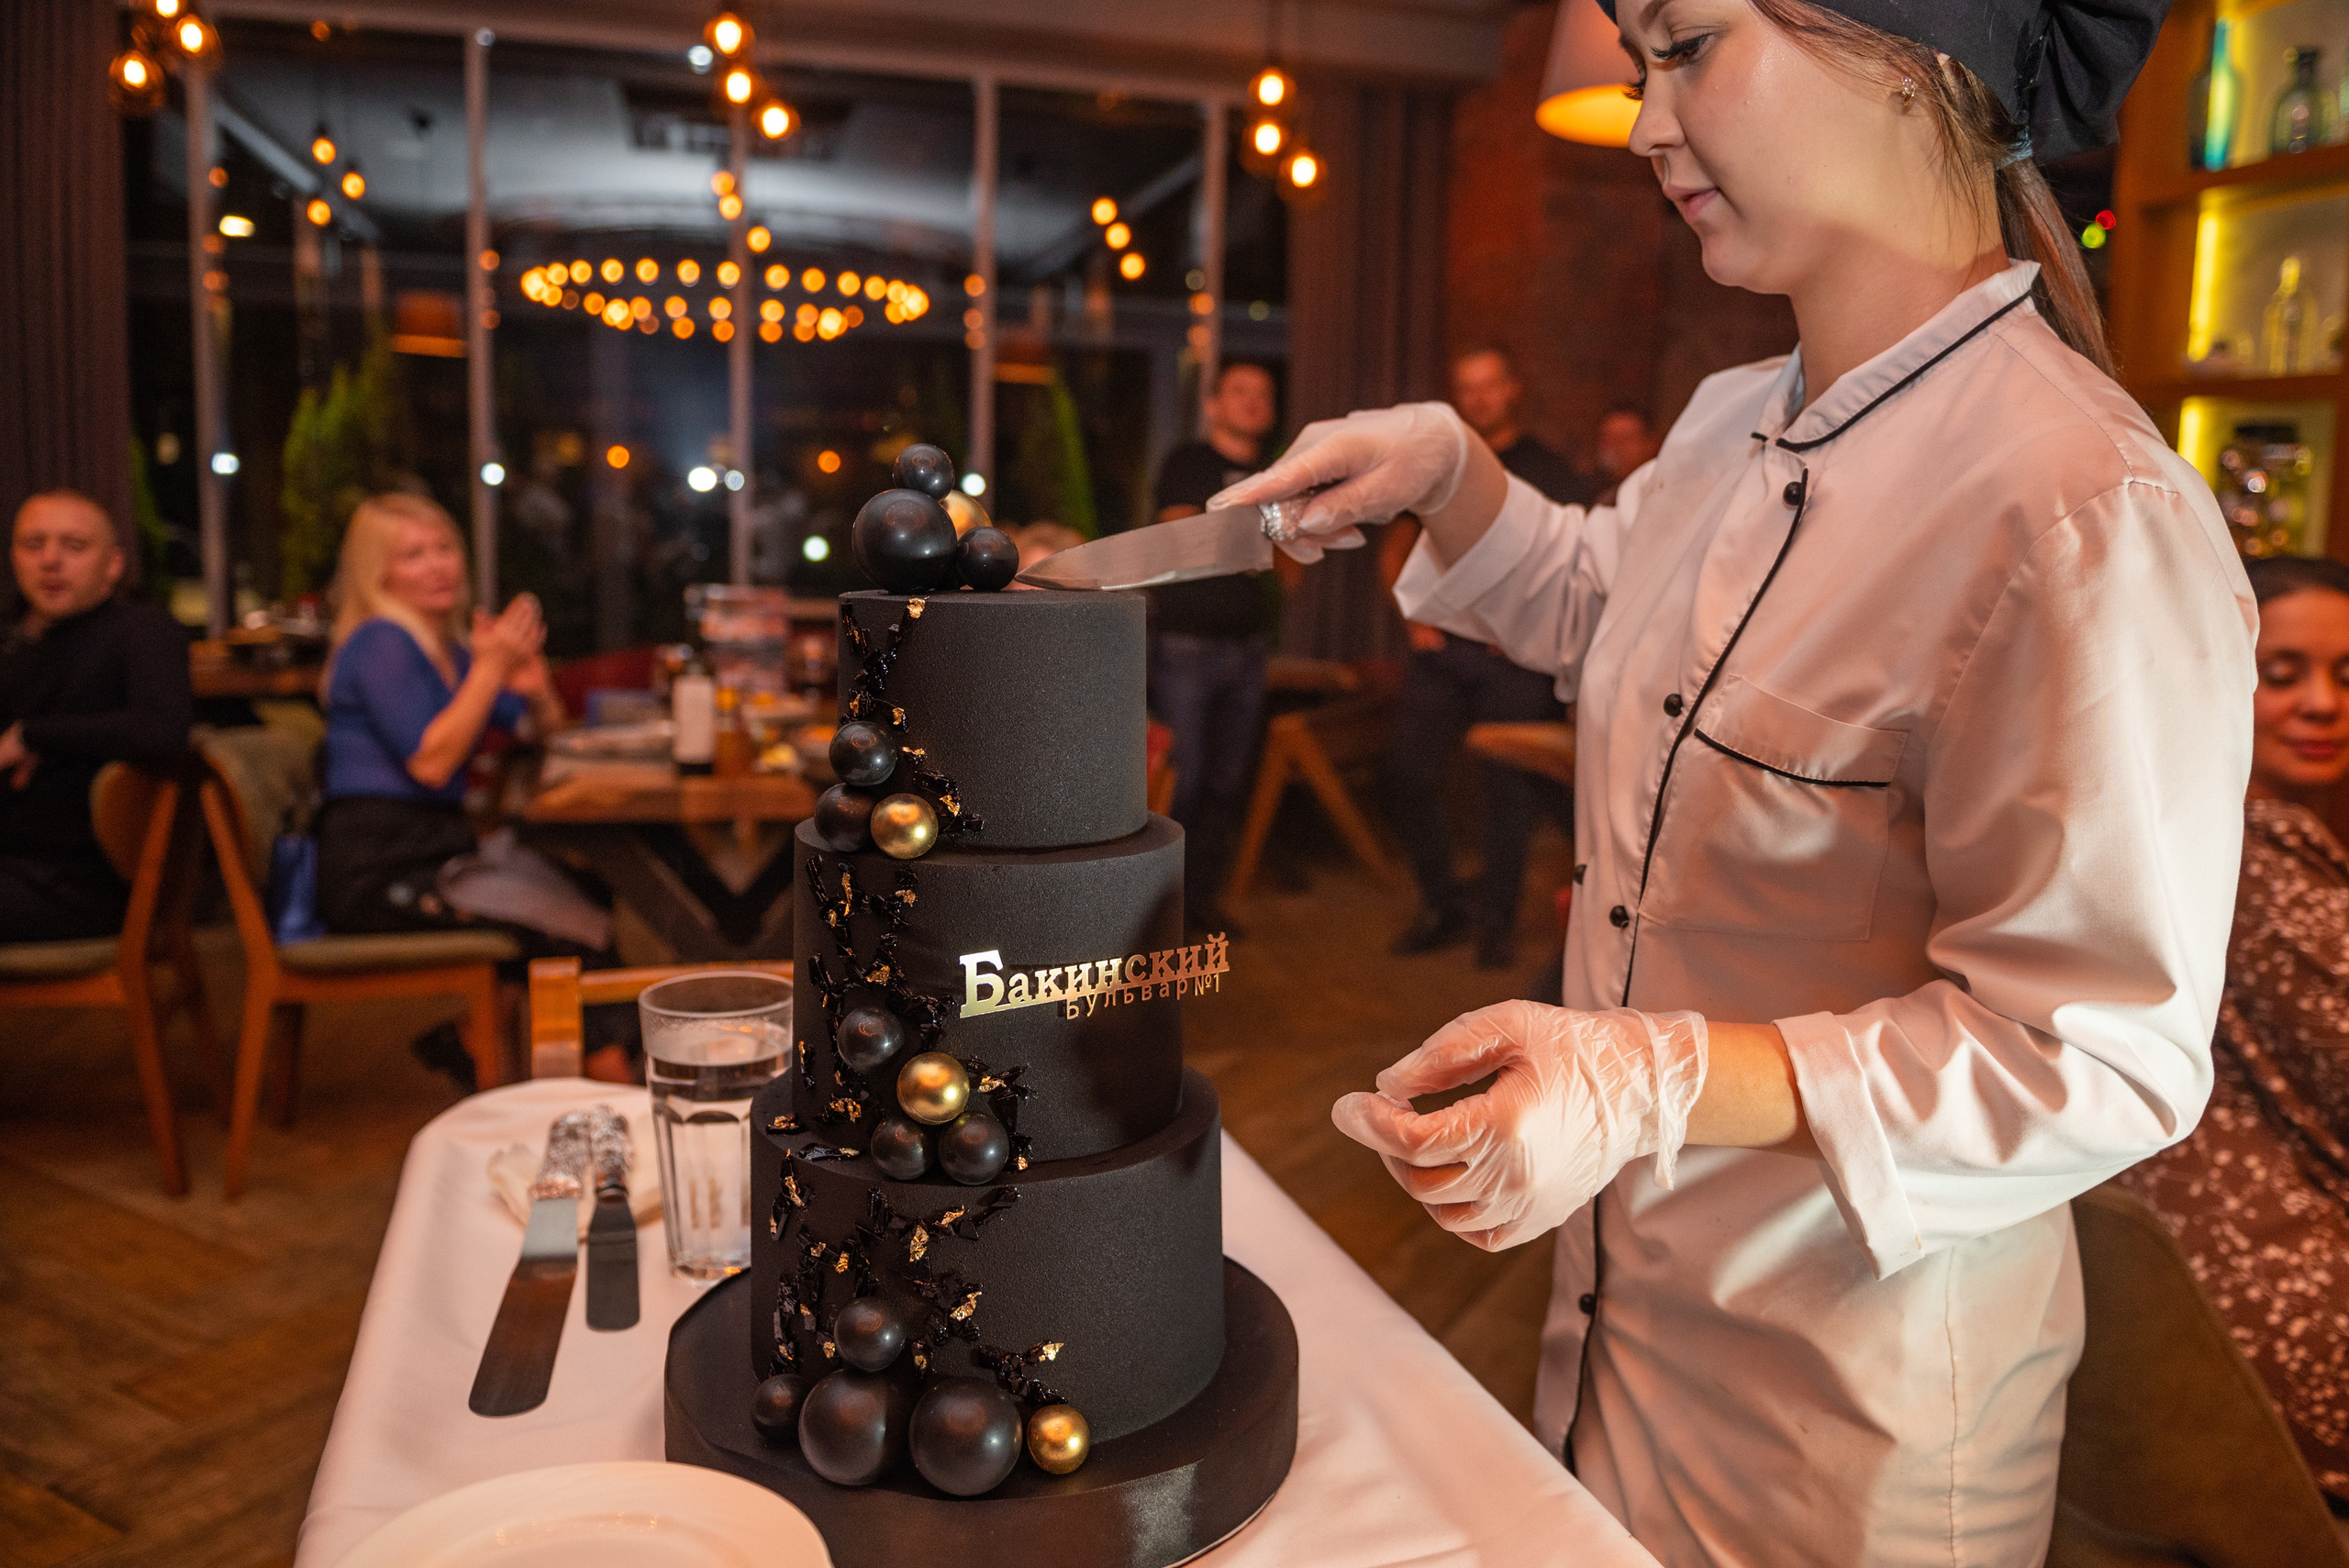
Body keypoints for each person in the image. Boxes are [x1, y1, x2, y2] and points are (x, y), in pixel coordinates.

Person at [1208, 1, 2235, 1562]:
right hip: (1619, 1315)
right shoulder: (1726, 426)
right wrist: (1452, 474)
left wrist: (1658, 1075)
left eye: (1685, 49)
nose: (1643, 123)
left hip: (1852, 1424)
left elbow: (2095, 1056)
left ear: (1916, 54)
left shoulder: (2079, 510)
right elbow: (1611, 610)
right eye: (1638, 68)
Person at [2118, 555, 2349, 1502]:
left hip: (2182, 1320)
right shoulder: (2250, 848)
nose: (2323, 704)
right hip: (2281, 1327)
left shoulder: (2173, 823)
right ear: (2214, 673)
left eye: (2346, 675)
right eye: (2282, 672)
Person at [317, 494, 614, 1084]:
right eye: (413, 555)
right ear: (379, 574)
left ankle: (479, 1042)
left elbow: (539, 730)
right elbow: (431, 762)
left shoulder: (447, 650)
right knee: (565, 925)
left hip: (437, 852)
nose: (438, 566)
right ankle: (607, 1079)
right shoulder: (380, 643)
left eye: (445, 548)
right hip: (377, 869)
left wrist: (530, 685)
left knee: (585, 893)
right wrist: (489, 668)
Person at [1380, 347, 1588, 968]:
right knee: (1402, 773)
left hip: (1513, 659)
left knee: (1510, 793)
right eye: (1466, 388)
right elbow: (1396, 543)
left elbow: (1576, 560)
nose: (1478, 398)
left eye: (1488, 386)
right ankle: (1445, 902)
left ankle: (1495, 923)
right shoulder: (1443, 466)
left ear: (1511, 389)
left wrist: (1533, 624)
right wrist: (1412, 613)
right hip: (1443, 649)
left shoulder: (1548, 469)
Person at [0, 491, 193, 942]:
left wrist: (31, 736)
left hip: (74, 883)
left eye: (74, 546)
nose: (50, 560)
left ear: (113, 565)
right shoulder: (12, 642)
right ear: (14, 557)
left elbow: (162, 730)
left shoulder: (140, 629)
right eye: (34, 545)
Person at [1144, 360, 1288, 936]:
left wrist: (1250, 543)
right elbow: (1183, 533)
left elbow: (1294, 562)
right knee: (1187, 780)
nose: (1253, 402)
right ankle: (1155, 913)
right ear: (1213, 405)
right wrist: (1257, 540)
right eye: (1240, 392)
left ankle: (1200, 904)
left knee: (1229, 783)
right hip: (1186, 648)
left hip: (1249, 649)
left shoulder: (1280, 474)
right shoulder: (1188, 462)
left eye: (1264, 393)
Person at [1590, 401, 1662, 505]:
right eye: (1608, 440)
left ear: (1651, 444)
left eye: (1623, 439)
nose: (1614, 449)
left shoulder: (1660, 492)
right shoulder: (1595, 494)